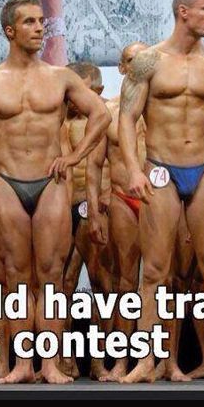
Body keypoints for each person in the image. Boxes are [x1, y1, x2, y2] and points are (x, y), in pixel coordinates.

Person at [0, 0, 109, 384]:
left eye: (41, 21)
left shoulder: (61, 77)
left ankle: (49, 364)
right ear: (10, 30)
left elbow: (101, 114)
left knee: (51, 275)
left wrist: (75, 155)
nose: (39, 28)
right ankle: (22, 364)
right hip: (7, 182)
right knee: (15, 277)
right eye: (29, 22)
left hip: (51, 184)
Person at [118, 0, 204, 383]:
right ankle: (146, 360)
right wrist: (134, 169)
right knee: (155, 270)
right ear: (183, 12)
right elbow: (126, 119)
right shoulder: (148, 62)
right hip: (161, 167)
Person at [86, 42, 149, 381]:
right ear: (122, 67)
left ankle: (159, 361)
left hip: (160, 200)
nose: (139, 66)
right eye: (132, 61)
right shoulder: (108, 111)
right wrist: (95, 213)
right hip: (123, 198)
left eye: (145, 60)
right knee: (124, 281)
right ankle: (122, 360)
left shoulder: (164, 109)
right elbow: (94, 166)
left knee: (163, 282)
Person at [62, 61, 114, 380]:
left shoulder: (110, 116)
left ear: (98, 89)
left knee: (102, 285)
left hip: (99, 209)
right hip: (65, 207)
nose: (74, 98)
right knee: (62, 285)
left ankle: (98, 361)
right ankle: (63, 359)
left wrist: (106, 197)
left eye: (81, 90)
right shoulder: (59, 119)